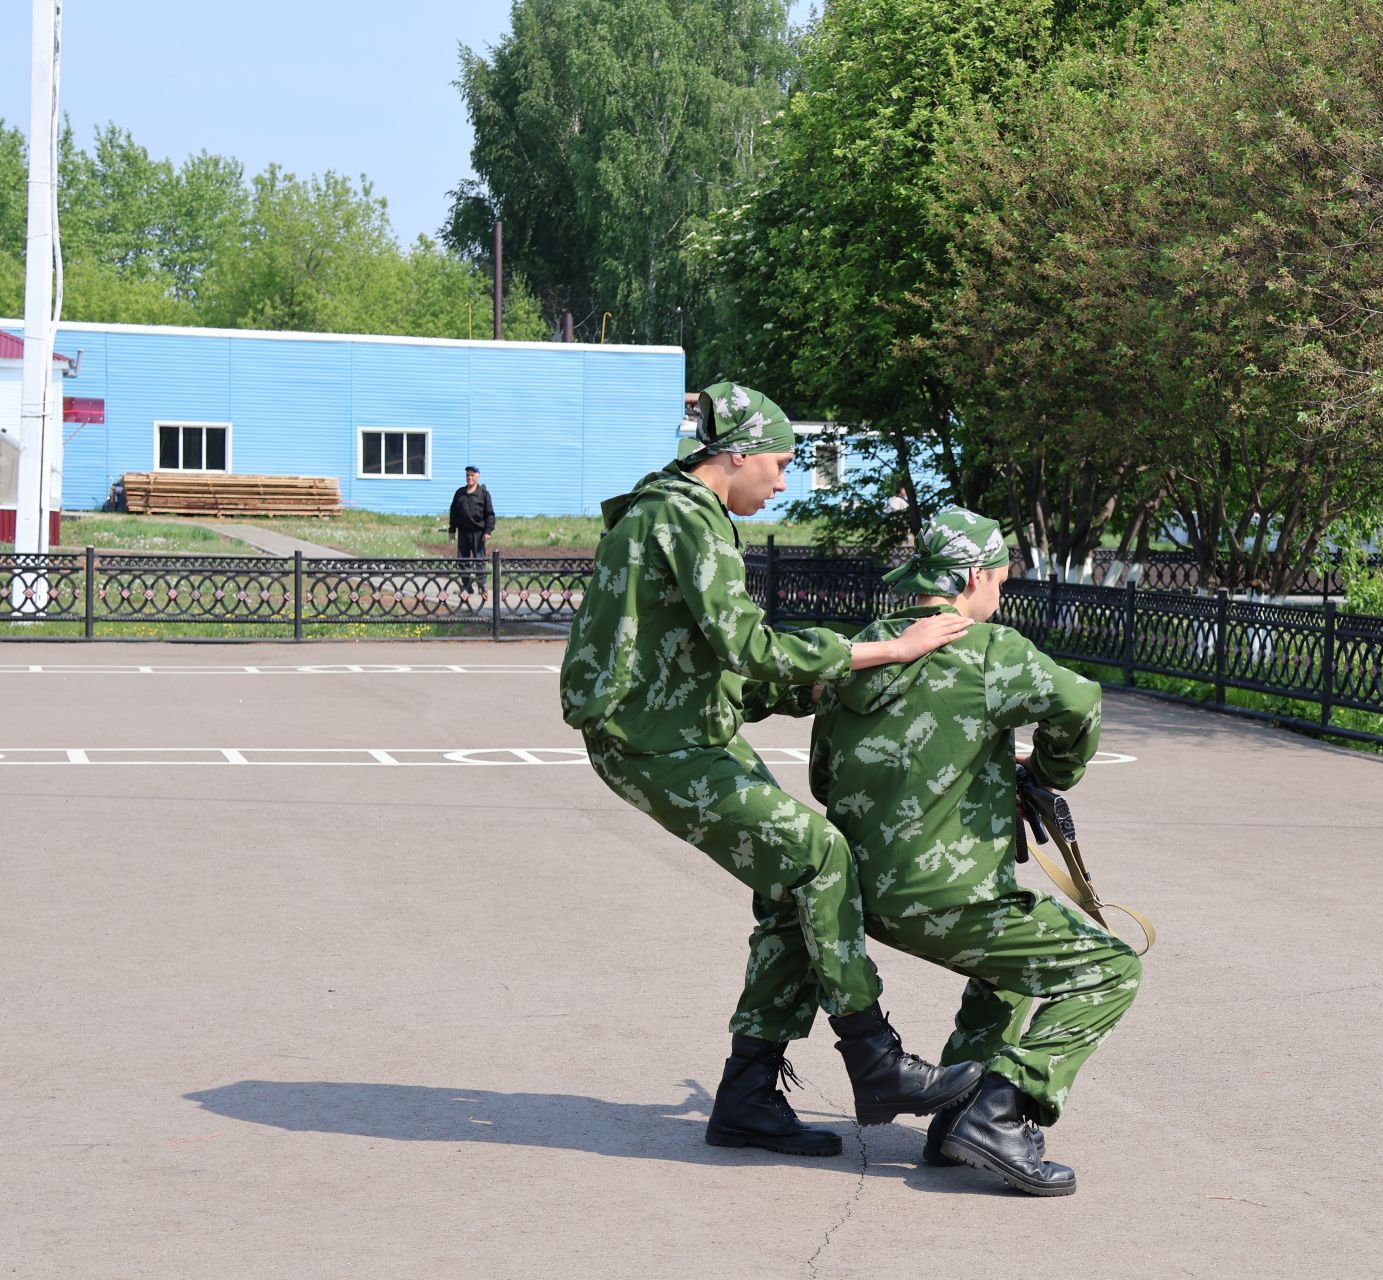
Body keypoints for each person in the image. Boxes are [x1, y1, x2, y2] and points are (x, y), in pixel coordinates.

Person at [560, 382, 983, 1159]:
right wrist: (888, 650)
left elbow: (707, 665)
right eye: (782, 464)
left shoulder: (673, 513)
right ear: (739, 454)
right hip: (656, 743)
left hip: (680, 727)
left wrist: (836, 676)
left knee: (794, 887)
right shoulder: (687, 517)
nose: (784, 482)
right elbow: (748, 647)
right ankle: (873, 1057)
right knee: (820, 857)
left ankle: (748, 1096)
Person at [809, 505, 1141, 1197]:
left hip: (860, 898)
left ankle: (956, 1115)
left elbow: (823, 775)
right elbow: (1080, 705)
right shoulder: (989, 650)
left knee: (1013, 967)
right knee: (1109, 969)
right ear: (970, 578)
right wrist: (1046, 775)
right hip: (950, 901)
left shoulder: (866, 648)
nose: (1000, 592)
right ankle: (1001, 1109)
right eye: (997, 578)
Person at [448, 465, 496, 594]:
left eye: (472, 475)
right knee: (462, 560)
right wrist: (452, 529)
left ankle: (482, 586)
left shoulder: (483, 494)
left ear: (477, 477)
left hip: (478, 533)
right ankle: (467, 586)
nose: (469, 477)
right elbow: (453, 512)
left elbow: (490, 514)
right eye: (467, 475)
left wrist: (488, 531)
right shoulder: (459, 493)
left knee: (479, 559)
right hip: (463, 532)